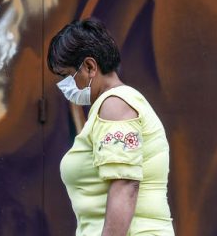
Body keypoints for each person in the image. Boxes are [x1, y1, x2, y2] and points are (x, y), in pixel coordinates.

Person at [48, 18, 174, 235]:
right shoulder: (114, 105)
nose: (65, 86)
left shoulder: (115, 105)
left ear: (89, 66)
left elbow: (125, 186)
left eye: (67, 75)